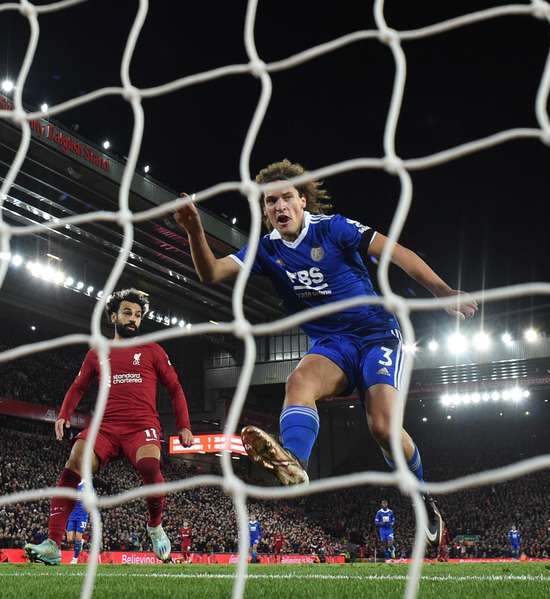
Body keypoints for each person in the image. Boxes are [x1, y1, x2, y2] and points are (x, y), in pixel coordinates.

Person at [174, 159, 477, 546]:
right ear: (264, 211)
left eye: (286, 198)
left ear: (302, 201)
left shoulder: (334, 228)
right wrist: (194, 230)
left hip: (377, 336)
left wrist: (441, 290)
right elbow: (211, 273)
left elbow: (395, 252)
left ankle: (422, 501)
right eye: (270, 202)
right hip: (331, 346)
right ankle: (295, 464)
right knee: (299, 379)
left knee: (383, 428)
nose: (279, 207)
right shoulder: (266, 249)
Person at [24, 289, 193, 565]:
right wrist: (63, 414)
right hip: (104, 427)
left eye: (138, 315)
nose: (133, 319)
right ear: (113, 316)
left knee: (150, 466)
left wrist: (184, 425)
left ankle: (154, 526)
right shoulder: (97, 353)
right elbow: (78, 387)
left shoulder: (153, 350)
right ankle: (53, 544)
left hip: (141, 426)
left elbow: (174, 388)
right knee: (74, 465)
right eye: (127, 313)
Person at [65, 481, 89, 564]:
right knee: (69, 539)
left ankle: (75, 559)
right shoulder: (72, 484)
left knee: (78, 538)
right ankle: (80, 542)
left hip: (82, 515)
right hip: (72, 515)